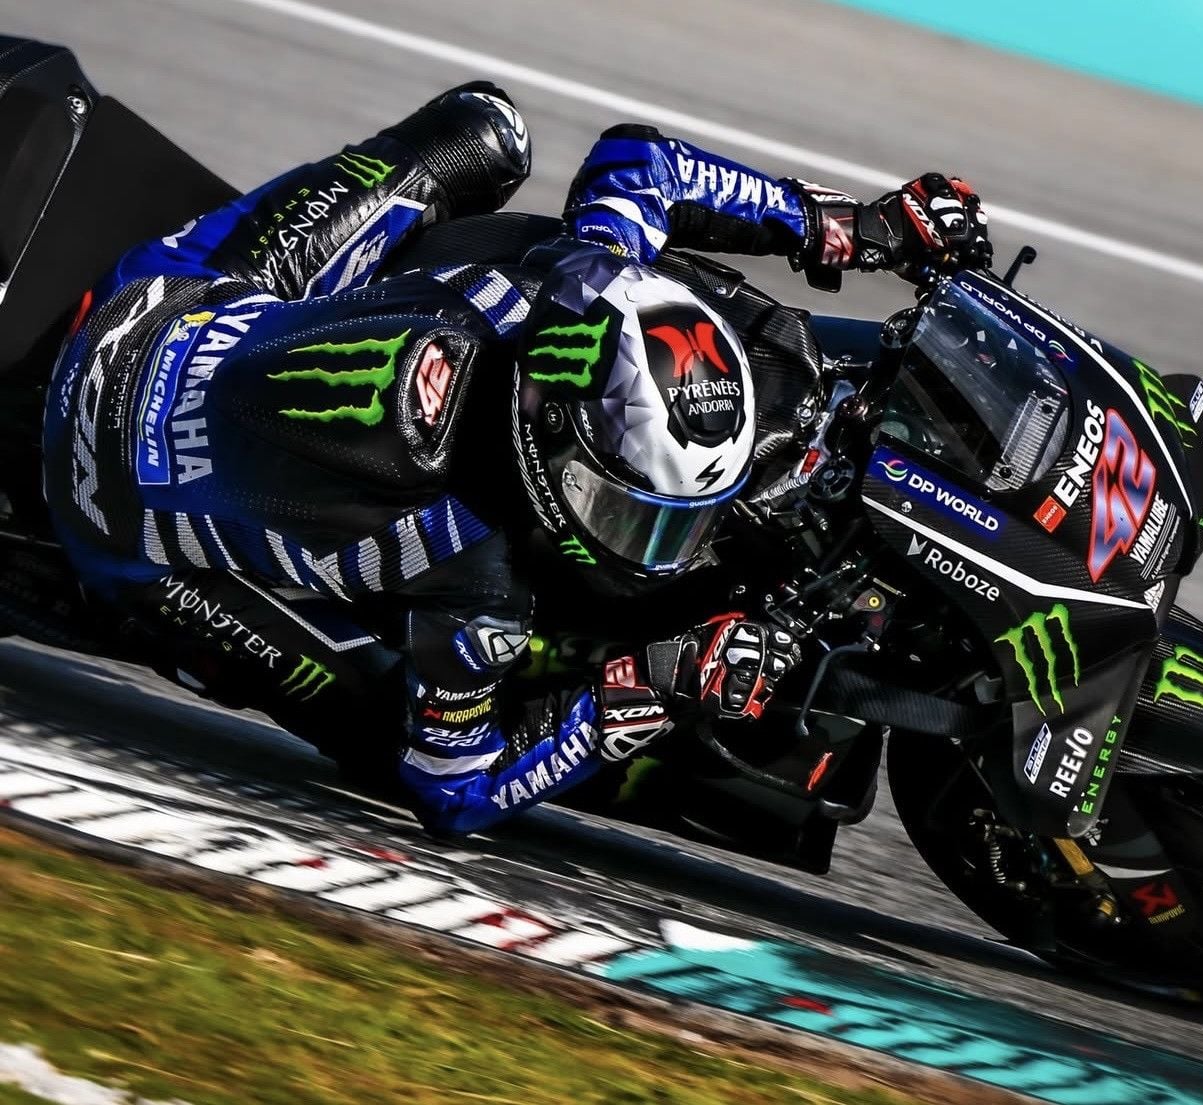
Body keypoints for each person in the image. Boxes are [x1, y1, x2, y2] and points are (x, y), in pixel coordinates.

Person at [43, 83, 991, 834]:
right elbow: (456, 793)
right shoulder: (473, 574)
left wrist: (851, 229)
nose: (659, 548)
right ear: (559, 447)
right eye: (636, 513)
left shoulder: (581, 275)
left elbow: (641, 159)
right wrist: (648, 684)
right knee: (385, 734)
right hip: (106, 506)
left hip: (170, 298)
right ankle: (146, 587)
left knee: (485, 129)